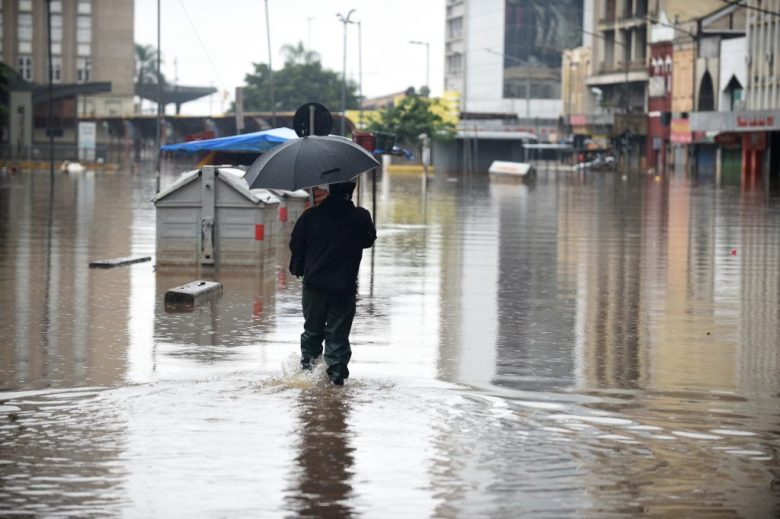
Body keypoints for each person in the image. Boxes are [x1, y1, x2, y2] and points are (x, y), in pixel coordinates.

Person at [289, 181, 376, 385]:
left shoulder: (311, 216)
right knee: (337, 337)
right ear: (351, 191)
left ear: (330, 190)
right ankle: (336, 383)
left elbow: (295, 245)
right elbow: (368, 240)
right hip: (343, 288)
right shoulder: (360, 217)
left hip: (313, 286)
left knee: (312, 333)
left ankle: (307, 379)